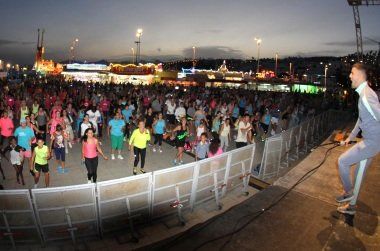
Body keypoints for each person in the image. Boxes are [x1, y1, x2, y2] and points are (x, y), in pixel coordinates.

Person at [336, 63, 380, 215]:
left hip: (372, 143)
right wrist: (350, 137)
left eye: (352, 73)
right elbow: (361, 120)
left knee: (342, 161)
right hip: (371, 141)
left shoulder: (366, 96)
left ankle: (348, 192)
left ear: (360, 76)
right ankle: (351, 207)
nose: (349, 76)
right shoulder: (365, 94)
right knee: (357, 175)